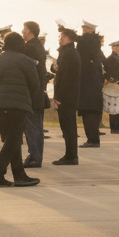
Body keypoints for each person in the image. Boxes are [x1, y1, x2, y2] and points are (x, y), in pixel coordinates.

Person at [0, 32, 41, 187]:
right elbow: (35, 84)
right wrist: (25, 97)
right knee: (13, 141)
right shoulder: (26, 60)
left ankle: (19, 175)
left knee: (12, 141)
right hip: (18, 105)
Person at [51, 22, 81, 166]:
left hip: (66, 98)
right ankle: (70, 155)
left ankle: (71, 156)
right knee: (67, 127)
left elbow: (67, 78)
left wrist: (59, 98)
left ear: (70, 39)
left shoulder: (70, 54)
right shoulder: (66, 53)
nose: (60, 38)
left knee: (68, 127)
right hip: (66, 97)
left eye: (63, 36)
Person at [20, 21, 48, 167]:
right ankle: (36, 156)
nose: (22, 32)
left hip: (32, 94)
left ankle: (35, 157)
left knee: (32, 127)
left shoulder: (30, 48)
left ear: (30, 31)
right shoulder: (37, 46)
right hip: (37, 93)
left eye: (24, 30)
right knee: (36, 127)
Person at [76, 20, 105, 148]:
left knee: (89, 114)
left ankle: (92, 139)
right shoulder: (94, 42)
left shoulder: (89, 40)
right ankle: (93, 139)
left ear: (90, 29)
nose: (83, 30)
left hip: (89, 86)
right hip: (93, 85)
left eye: (85, 28)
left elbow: (80, 40)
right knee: (91, 113)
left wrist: (67, 31)